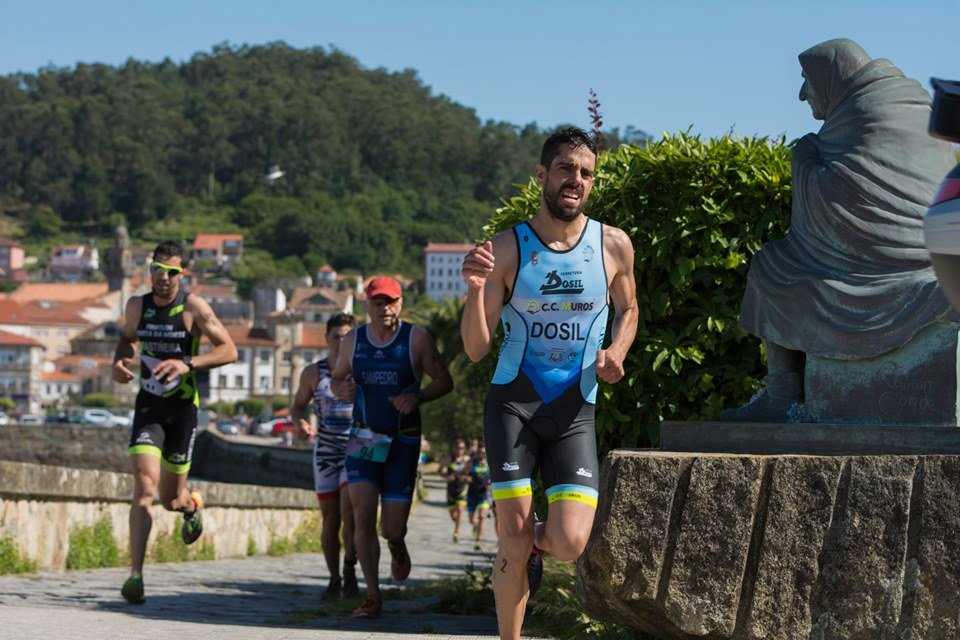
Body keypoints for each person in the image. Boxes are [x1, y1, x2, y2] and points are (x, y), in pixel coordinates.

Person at [460, 126, 638, 640]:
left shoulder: (613, 245)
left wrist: (617, 352)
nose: (575, 179)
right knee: (513, 539)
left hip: (574, 410)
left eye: (586, 172)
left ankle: (526, 544)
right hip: (513, 407)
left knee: (569, 542)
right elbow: (475, 348)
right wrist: (474, 289)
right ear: (542, 175)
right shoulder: (506, 248)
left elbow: (629, 310)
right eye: (565, 169)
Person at [726, 38, 957, 422]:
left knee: (771, 267)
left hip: (884, 265)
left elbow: (840, 193)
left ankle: (782, 396)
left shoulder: (866, 109)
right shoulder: (915, 103)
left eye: (807, 79)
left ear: (830, 76)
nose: (803, 94)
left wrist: (804, 159)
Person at [112, 240, 238, 604]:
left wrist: (188, 364)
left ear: (182, 274)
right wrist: (119, 361)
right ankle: (135, 575)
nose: (163, 278)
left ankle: (191, 505)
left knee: (170, 500)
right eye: (158, 269)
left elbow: (228, 349)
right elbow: (126, 340)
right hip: (149, 408)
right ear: (149, 270)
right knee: (144, 486)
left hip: (182, 411)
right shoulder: (137, 306)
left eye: (171, 272)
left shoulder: (193, 307)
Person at [331, 275, 454, 618]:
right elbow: (337, 379)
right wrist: (341, 390)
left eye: (391, 301)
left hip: (403, 441)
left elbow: (445, 381)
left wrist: (418, 396)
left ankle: (397, 545)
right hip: (365, 438)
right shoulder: (353, 341)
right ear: (366, 305)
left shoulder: (417, 339)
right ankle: (373, 596)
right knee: (362, 514)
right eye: (378, 302)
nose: (385, 308)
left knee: (392, 529)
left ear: (401, 303)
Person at [291, 312, 360, 600]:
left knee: (349, 513)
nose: (341, 342)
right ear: (327, 339)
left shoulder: (361, 370)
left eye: (347, 337)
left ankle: (350, 568)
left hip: (355, 450)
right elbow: (298, 406)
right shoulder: (313, 373)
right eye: (336, 337)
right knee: (330, 519)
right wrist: (300, 423)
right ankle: (334, 579)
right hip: (326, 451)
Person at [440, 437, 471, 542]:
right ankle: (457, 522)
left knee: (460, 510)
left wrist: (466, 478)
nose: (459, 450)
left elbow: (472, 474)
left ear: (464, 449)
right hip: (451, 489)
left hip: (462, 489)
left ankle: (456, 533)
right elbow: (439, 471)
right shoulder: (449, 459)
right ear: (454, 448)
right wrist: (447, 476)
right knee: (453, 515)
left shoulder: (467, 460)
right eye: (457, 448)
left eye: (461, 448)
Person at [465, 442, 492, 551]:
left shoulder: (490, 464)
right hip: (472, 494)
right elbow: (463, 474)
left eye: (484, 453)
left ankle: (479, 541)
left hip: (484, 495)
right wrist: (467, 478)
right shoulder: (471, 462)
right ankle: (475, 526)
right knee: (471, 519)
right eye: (480, 453)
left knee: (482, 517)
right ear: (477, 453)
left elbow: (495, 476)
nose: (482, 455)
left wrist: (491, 481)